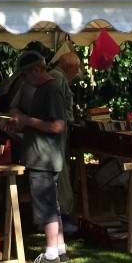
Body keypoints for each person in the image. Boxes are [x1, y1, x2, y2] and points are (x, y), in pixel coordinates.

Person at [7, 54, 70, 263]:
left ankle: (51, 255)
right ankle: (60, 249)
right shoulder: (44, 90)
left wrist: (26, 120)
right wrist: (20, 125)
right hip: (43, 156)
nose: (24, 81)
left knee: (46, 206)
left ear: (36, 70)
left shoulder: (51, 90)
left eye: (25, 76)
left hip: (44, 158)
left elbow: (58, 126)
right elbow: (41, 125)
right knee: (52, 204)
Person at [48, 43, 83, 234]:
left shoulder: (57, 77)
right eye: (76, 69)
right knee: (60, 173)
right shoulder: (57, 78)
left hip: (58, 130)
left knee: (61, 172)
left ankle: (62, 217)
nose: (77, 74)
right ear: (70, 68)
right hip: (56, 131)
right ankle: (62, 219)